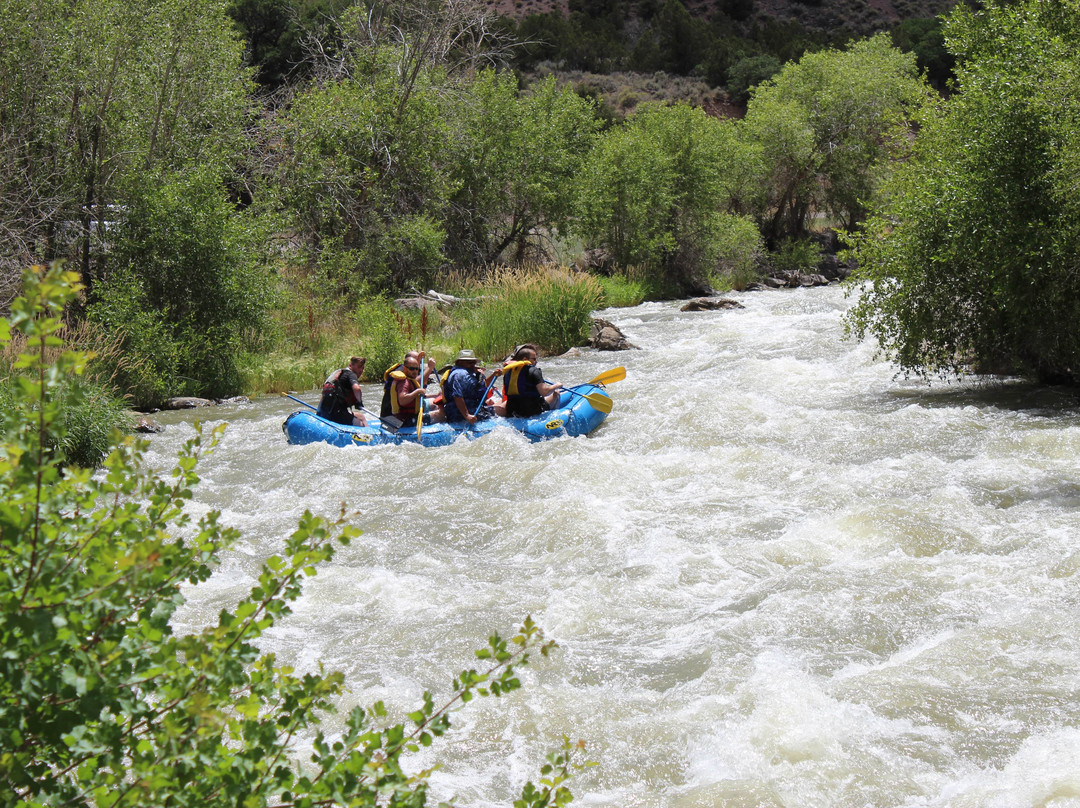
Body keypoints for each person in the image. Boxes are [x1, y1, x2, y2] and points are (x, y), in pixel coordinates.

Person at [443, 349, 506, 425]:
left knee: (503, 404)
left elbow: (482, 387)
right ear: (460, 362)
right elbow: (457, 396)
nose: (473, 364)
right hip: (460, 413)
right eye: (470, 362)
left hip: (472, 408)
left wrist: (494, 375)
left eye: (474, 362)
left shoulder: (469, 373)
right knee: (506, 407)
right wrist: (467, 415)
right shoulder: (459, 374)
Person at [503, 343, 563, 417]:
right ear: (525, 359)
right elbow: (544, 392)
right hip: (531, 411)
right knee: (556, 393)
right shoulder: (534, 371)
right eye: (534, 359)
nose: (536, 361)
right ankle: (554, 418)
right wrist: (557, 385)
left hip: (512, 412)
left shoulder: (508, 372)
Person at [390, 354, 445, 426]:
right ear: (405, 369)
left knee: (436, 404)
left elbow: (418, 397)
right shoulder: (404, 383)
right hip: (405, 420)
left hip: (408, 416)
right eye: (412, 368)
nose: (415, 371)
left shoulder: (409, 380)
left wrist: (436, 395)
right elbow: (402, 400)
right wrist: (417, 391)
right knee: (441, 414)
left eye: (417, 369)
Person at [381, 350, 436, 417]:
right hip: (392, 415)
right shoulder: (401, 373)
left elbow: (418, 391)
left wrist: (436, 395)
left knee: (435, 402)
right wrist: (429, 368)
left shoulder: (414, 370)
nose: (417, 362)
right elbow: (414, 384)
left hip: (406, 410)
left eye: (419, 359)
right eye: (416, 359)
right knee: (435, 406)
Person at [317, 356, 368, 426]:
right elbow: (357, 388)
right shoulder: (351, 374)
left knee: (361, 417)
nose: (361, 370)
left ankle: (370, 431)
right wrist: (359, 402)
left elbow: (323, 396)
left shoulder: (337, 375)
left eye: (363, 368)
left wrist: (318, 413)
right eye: (359, 367)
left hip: (324, 414)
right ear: (350, 365)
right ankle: (368, 432)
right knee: (360, 423)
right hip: (337, 415)